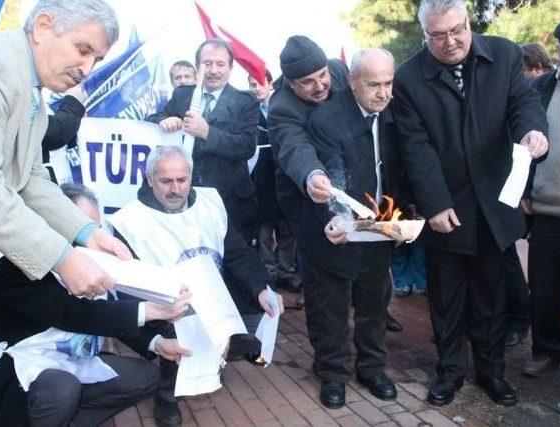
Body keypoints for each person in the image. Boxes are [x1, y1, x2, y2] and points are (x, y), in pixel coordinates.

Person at [0, 1, 132, 425]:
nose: (87, 66)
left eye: (96, 58)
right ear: (43, 26)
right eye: (83, 48)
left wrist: (87, 233)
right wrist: (63, 259)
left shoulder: (31, 92)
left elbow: (30, 180)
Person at [391, 0, 549, 407]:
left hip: (495, 203)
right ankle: (449, 372)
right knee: (447, 298)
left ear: (468, 22)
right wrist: (435, 203)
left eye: (457, 29)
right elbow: (415, 145)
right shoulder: (409, 77)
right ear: (425, 34)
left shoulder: (504, 53)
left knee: (491, 296)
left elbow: (522, 104)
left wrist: (533, 131)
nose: (451, 41)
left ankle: (491, 372)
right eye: (438, 35)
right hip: (448, 204)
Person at [0, 184, 191, 427]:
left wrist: (157, 343)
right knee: (62, 389)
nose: (90, 240)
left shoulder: (91, 260)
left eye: (94, 229)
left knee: (144, 377)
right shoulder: (16, 267)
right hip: (19, 374)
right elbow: (73, 313)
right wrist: (153, 309)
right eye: (80, 231)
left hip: (71, 361)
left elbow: (111, 308)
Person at [108, 145, 285, 422]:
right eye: (166, 181)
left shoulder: (210, 203)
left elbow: (236, 250)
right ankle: (167, 395)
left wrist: (262, 287)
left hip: (216, 299)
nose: (175, 189)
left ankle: (217, 358)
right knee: (178, 331)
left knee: (264, 311)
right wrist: (158, 325)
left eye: (182, 179)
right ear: (149, 179)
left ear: (191, 176)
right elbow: (128, 290)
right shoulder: (129, 221)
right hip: (168, 308)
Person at [304, 49, 402, 408]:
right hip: (336, 228)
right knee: (332, 307)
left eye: (388, 83)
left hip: (380, 227)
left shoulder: (395, 111)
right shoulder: (328, 119)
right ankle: (333, 374)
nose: (383, 92)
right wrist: (340, 217)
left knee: (374, 303)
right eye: (374, 84)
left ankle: (372, 369)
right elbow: (332, 174)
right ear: (352, 82)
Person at [146, 38, 259, 243]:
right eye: (207, 63)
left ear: (230, 68)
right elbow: (150, 122)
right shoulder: (182, 95)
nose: (213, 70)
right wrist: (165, 120)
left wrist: (207, 132)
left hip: (230, 200)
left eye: (220, 64)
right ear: (198, 67)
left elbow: (247, 146)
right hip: (185, 196)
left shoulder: (245, 101)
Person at [522, 16, 560, 378]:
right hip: (549, 210)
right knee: (544, 290)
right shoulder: (539, 89)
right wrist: (523, 191)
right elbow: (519, 142)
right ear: (559, 51)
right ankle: (547, 351)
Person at [249, 70, 301, 293]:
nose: (257, 88)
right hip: (260, 181)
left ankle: (286, 272)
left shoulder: (283, 108)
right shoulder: (250, 112)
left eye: (260, 83)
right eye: (252, 85)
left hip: (284, 177)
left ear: (270, 83)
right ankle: (269, 273)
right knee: (263, 233)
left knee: (286, 231)